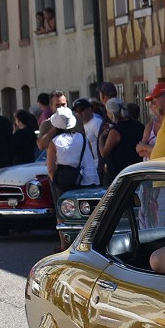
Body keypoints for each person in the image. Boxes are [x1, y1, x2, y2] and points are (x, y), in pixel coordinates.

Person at [47, 106, 98, 248]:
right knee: (86, 213)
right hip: (86, 178)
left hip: (64, 181)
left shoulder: (55, 142)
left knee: (62, 213)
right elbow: (90, 158)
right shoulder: (82, 138)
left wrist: (56, 181)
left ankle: (65, 244)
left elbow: (50, 168)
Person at [100, 98, 142, 185]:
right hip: (137, 170)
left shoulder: (115, 131)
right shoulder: (139, 125)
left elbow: (104, 153)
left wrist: (101, 138)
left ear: (111, 113)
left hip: (120, 174)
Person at [71, 98, 102, 165]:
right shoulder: (80, 125)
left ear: (90, 109)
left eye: (81, 110)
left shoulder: (96, 123)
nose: (79, 113)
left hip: (97, 163)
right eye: (76, 111)